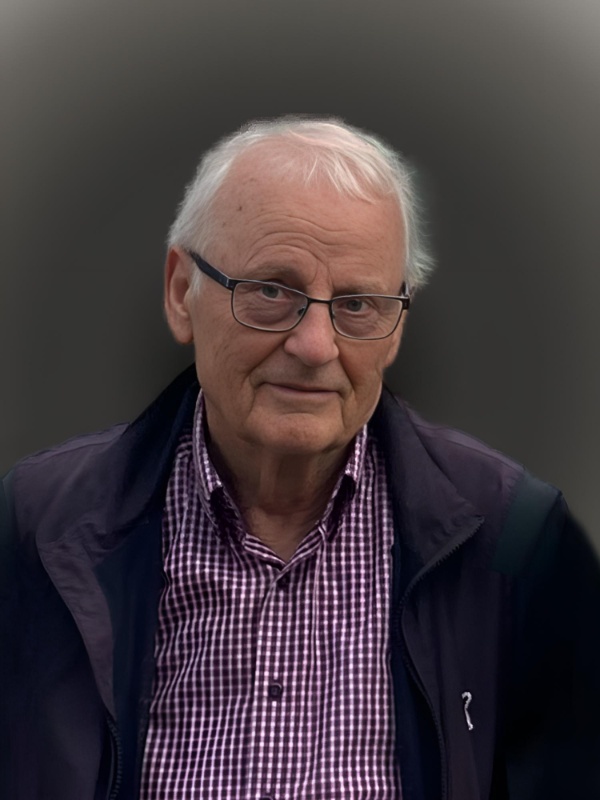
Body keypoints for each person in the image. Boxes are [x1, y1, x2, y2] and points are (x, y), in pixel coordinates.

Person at [1, 117, 599, 800]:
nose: (315, 346)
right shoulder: (36, 524)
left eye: (358, 303)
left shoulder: (516, 540)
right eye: (271, 291)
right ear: (181, 292)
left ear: (397, 328)